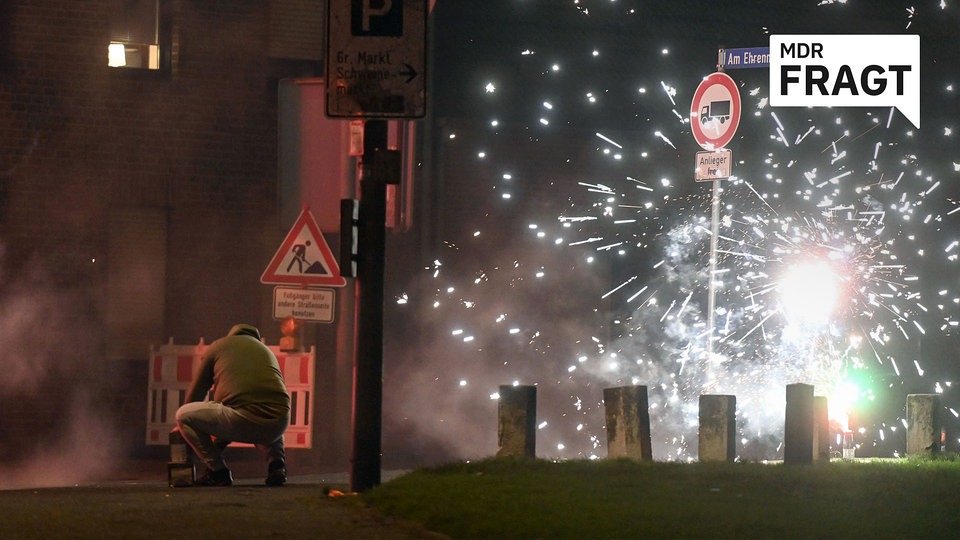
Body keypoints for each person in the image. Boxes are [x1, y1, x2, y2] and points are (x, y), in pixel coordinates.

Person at [175, 324, 290, 486]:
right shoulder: (266, 351)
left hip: (240, 418)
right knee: (270, 410)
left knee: (183, 415)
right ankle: (277, 465)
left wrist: (183, 429)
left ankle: (218, 471)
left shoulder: (219, 346)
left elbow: (198, 390)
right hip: (279, 423)